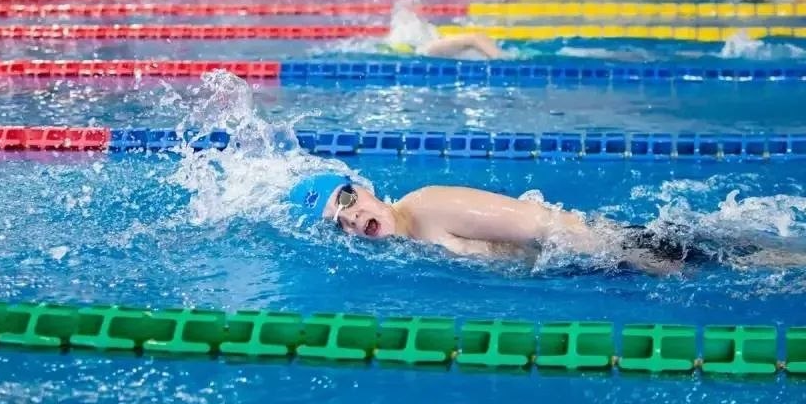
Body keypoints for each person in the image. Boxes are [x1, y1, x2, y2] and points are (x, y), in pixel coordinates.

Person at [286, 174, 713, 276]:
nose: (352, 216)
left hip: (629, 251)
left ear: (364, 186)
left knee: (765, 263)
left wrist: (657, 264)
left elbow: (552, 227)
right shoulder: (407, 243)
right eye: (338, 223)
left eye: (347, 199)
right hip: (597, 270)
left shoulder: (430, 206)